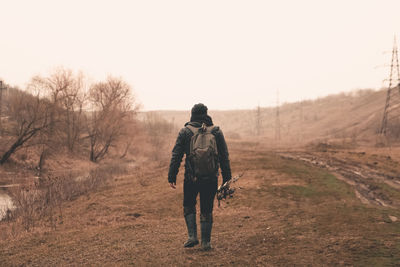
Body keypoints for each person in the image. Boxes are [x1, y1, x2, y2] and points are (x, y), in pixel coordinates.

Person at [168, 103, 231, 250]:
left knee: (189, 204)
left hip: (191, 177)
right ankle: (206, 243)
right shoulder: (216, 131)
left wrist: (172, 176)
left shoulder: (185, 132)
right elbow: (224, 156)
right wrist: (227, 178)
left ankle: (192, 236)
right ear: (206, 114)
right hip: (211, 178)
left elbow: (176, 156)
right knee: (207, 208)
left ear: (192, 114)